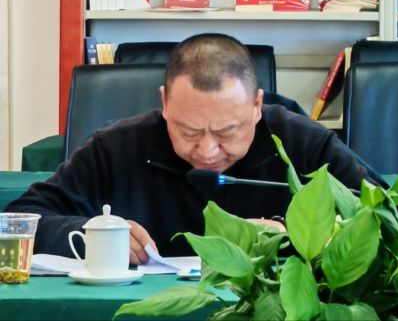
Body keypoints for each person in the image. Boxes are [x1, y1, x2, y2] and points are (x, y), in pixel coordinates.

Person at [5, 34, 377, 264]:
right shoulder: (116, 147)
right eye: (188, 131)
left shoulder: (303, 142)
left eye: (226, 131)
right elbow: (17, 221)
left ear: (256, 106)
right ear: (165, 103)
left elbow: (392, 219)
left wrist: (290, 233)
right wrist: (90, 233)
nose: (208, 151)